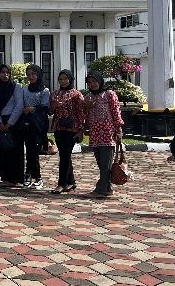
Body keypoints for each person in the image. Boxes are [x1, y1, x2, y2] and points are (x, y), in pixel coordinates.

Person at [83, 71, 123, 199]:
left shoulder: (109, 94)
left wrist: (119, 130)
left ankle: (100, 189)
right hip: (95, 134)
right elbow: (84, 115)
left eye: (94, 81)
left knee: (106, 163)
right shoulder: (88, 97)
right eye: (89, 82)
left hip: (108, 133)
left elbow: (116, 112)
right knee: (101, 164)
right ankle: (108, 188)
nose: (92, 84)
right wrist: (87, 107)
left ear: (100, 81)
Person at [48, 69, 85, 194]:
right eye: (60, 79)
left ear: (70, 79)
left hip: (72, 129)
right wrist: (54, 106)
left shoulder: (76, 94)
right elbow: (50, 111)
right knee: (64, 155)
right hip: (58, 128)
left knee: (65, 155)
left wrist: (81, 130)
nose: (63, 81)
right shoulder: (54, 94)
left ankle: (61, 183)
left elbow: (81, 114)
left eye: (65, 79)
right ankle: (71, 182)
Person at [0, 64, 24, 187]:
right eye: (2, 72)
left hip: (14, 121)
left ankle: (15, 178)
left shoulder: (16, 87)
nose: (5, 75)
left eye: (7, 72)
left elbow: (19, 105)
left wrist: (10, 123)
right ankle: (6, 178)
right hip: (2, 121)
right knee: (4, 149)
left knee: (15, 150)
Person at [20, 64, 50, 190]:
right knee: (30, 150)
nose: (31, 77)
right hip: (27, 123)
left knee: (34, 151)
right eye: (28, 74)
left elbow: (45, 106)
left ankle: (37, 177)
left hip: (39, 124)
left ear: (38, 74)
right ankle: (29, 175)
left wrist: (32, 108)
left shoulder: (44, 90)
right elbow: (21, 103)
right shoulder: (25, 89)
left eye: (33, 74)